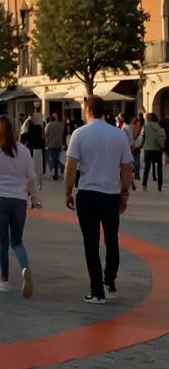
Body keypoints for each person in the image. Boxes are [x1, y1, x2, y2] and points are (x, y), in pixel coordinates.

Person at [65, 95, 133, 304]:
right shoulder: (118, 135)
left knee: (91, 243)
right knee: (112, 239)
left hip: (88, 194)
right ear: (104, 111)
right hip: (111, 194)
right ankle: (109, 280)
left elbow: (71, 166)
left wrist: (67, 191)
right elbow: (127, 167)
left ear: (88, 111)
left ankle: (97, 291)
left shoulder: (79, 134)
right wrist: (124, 192)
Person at [0, 115, 37, 297]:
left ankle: (4, 280)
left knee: (3, 242)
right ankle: (25, 268)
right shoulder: (23, 151)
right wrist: (33, 197)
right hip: (19, 199)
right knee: (17, 241)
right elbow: (32, 177)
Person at [140, 111, 164, 192]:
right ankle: (159, 184)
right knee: (159, 168)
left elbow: (143, 137)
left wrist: (141, 145)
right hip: (157, 149)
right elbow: (161, 137)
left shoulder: (145, 126)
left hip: (148, 148)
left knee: (147, 167)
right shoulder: (157, 126)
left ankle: (144, 183)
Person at [45, 112, 66, 181]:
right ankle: (57, 173)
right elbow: (62, 134)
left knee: (54, 160)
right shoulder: (60, 125)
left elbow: (46, 134)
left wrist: (46, 142)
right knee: (56, 158)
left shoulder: (50, 125)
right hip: (59, 144)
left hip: (52, 144)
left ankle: (60, 171)